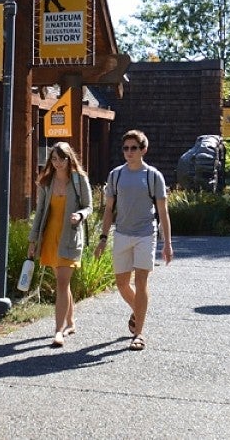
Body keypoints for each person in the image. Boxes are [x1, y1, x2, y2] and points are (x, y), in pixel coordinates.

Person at [96, 129, 173, 351]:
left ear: (143, 150)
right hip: (121, 233)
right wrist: (103, 237)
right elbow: (109, 209)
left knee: (141, 283)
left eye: (134, 148)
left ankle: (139, 333)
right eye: (126, 148)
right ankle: (139, 310)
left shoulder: (153, 175)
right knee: (121, 283)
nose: (129, 152)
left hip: (145, 235)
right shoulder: (116, 175)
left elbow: (163, 211)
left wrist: (167, 243)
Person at [27, 141, 92, 347]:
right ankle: (71, 322)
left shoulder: (79, 179)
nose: (57, 163)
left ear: (69, 158)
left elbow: (89, 206)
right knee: (64, 284)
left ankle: (58, 331)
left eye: (61, 158)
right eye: (54, 159)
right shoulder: (47, 181)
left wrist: (80, 215)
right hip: (50, 237)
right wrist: (33, 239)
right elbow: (39, 214)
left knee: (61, 284)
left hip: (70, 237)